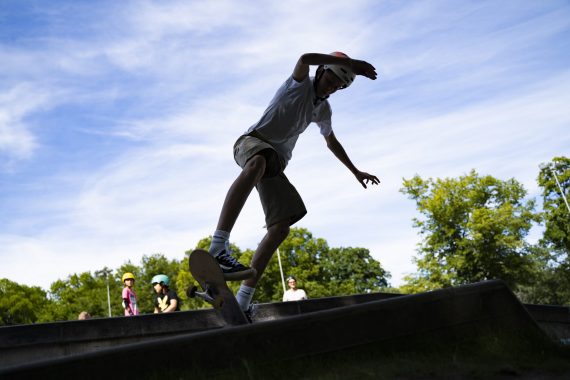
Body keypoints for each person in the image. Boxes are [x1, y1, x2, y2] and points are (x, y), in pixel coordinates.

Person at [207, 51, 379, 315]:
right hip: (251, 143)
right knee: (258, 162)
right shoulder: (298, 83)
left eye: (337, 86)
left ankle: (242, 301)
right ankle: (218, 245)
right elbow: (304, 57)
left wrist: (355, 171)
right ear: (321, 71)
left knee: (280, 228)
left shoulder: (323, 109)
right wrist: (352, 64)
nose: (330, 87)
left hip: (275, 163)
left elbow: (331, 141)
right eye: (330, 79)